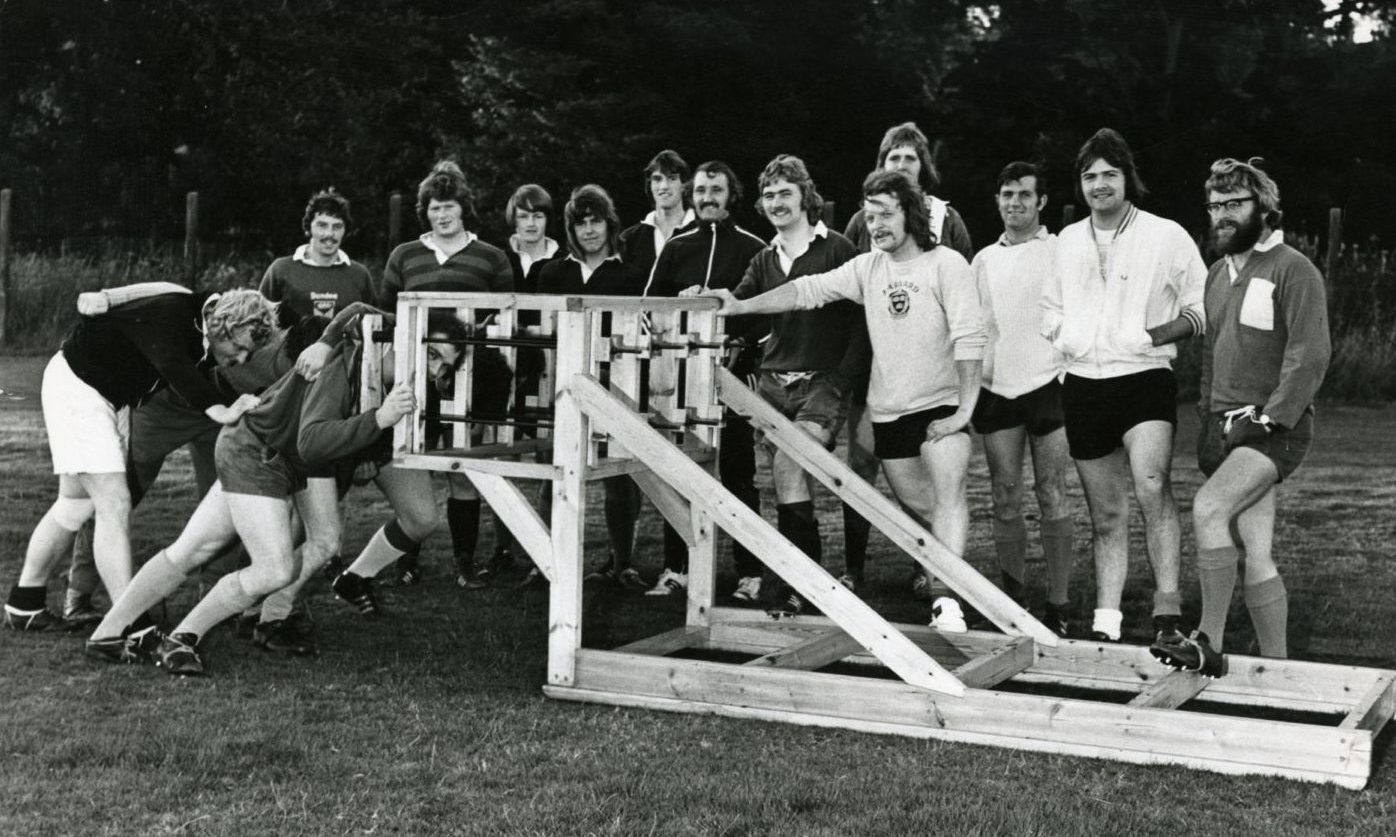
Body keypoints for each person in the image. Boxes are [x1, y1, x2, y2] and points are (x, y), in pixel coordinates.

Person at [699, 169, 986, 633]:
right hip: (890, 411)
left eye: (885, 215)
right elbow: (806, 291)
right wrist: (738, 305)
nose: (875, 226)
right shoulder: (867, 268)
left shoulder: (946, 264)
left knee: (950, 495)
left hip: (942, 406)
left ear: (910, 214)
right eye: (869, 217)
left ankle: (945, 601)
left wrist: (964, 411)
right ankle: (963, 581)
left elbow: (971, 338)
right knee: (926, 507)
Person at [84, 309, 443, 673]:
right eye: (431, 355)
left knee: (317, 541)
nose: (434, 371)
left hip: (283, 454)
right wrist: (373, 412)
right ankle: (182, 637)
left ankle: (107, 635)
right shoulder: (345, 362)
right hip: (257, 450)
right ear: (404, 338)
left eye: (444, 365)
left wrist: (370, 437)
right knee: (272, 568)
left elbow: (328, 443)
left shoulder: (385, 378)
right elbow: (313, 440)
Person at [1150, 158, 1331, 677]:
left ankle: (1208, 640)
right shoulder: (1217, 274)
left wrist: (1272, 420)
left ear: (1265, 208)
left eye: (1235, 204)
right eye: (1215, 206)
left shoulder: (1293, 268)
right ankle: (1278, 676)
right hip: (1226, 427)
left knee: (1208, 508)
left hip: (1276, 429)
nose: (1222, 215)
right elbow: (1212, 354)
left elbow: (1310, 355)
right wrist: (1209, 418)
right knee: (1257, 551)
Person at [4, 288, 273, 632]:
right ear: (224, 327)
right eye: (239, 349)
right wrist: (220, 409)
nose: (240, 359)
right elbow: (172, 362)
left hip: (104, 397)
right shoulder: (174, 311)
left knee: (74, 504)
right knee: (114, 503)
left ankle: (24, 601)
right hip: (80, 386)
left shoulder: (196, 319)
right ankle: (126, 620)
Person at [1040, 128, 1205, 644]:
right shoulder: (1065, 241)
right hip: (1084, 386)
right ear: (1080, 185)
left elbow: (1202, 308)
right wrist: (1065, 335)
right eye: (1090, 176)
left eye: (1110, 173)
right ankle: (1106, 622)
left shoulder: (1165, 234)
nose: (1100, 184)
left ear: (1127, 177)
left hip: (1144, 380)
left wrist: (1150, 335)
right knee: (1106, 513)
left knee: (1152, 486)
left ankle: (1167, 611)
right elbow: (1047, 309)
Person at [840, 121, 975, 601]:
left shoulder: (947, 221)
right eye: (892, 159)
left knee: (937, 474)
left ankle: (934, 570)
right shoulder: (865, 220)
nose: (901, 166)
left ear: (924, 169)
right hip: (875, 363)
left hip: (933, 371)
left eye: (909, 159)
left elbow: (958, 296)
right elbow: (848, 278)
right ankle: (854, 567)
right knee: (864, 464)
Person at [722, 154, 861, 611]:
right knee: (785, 476)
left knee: (788, 463)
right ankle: (805, 585)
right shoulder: (764, 259)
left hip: (822, 385)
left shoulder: (839, 249)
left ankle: (792, 583)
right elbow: (738, 309)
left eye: (785, 192)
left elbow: (866, 321)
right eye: (769, 195)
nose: (777, 202)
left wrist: (843, 377)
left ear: (806, 196)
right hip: (771, 386)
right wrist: (706, 302)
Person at [380, 161, 515, 589]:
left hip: (470, 381)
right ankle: (406, 562)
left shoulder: (491, 256)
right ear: (426, 211)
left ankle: (463, 563)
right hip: (416, 381)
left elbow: (505, 320)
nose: (443, 215)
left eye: (450, 206)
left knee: (463, 469)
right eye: (435, 208)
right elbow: (388, 316)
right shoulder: (404, 255)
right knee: (412, 466)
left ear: (463, 208)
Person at [645, 160, 767, 597]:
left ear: (731, 194)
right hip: (680, 379)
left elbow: (767, 314)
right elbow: (647, 310)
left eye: (716, 190)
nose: (707, 198)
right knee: (679, 473)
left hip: (734, 379)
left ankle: (749, 573)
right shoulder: (677, 247)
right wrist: (681, 306)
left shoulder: (754, 246)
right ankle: (677, 568)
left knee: (737, 475)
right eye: (700, 191)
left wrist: (739, 343)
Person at [970, 162, 1074, 636]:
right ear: (997, 200)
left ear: (1042, 202)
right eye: (1007, 194)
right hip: (998, 390)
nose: (1015, 203)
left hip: (1050, 386)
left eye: (1024, 195)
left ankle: (1059, 603)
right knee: (1005, 496)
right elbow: (974, 329)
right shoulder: (982, 260)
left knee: (1052, 492)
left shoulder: (1062, 251)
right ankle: (1013, 603)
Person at [533, 185, 649, 591]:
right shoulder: (553, 272)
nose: (589, 230)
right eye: (580, 223)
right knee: (556, 470)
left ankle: (623, 561)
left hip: (615, 383)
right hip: (561, 382)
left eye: (595, 220)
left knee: (620, 475)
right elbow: (541, 331)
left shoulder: (631, 275)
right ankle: (547, 560)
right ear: (570, 229)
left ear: (609, 223)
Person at [259, 188, 377, 322]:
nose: (329, 234)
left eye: (337, 227)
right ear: (309, 227)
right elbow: (258, 322)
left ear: (346, 230)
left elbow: (375, 325)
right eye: (322, 225)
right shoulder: (280, 270)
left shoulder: (360, 275)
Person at [620, 150, 695, 284]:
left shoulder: (703, 233)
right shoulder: (629, 239)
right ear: (650, 185)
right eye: (657, 179)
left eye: (672, 178)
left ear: (684, 185)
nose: (664, 186)